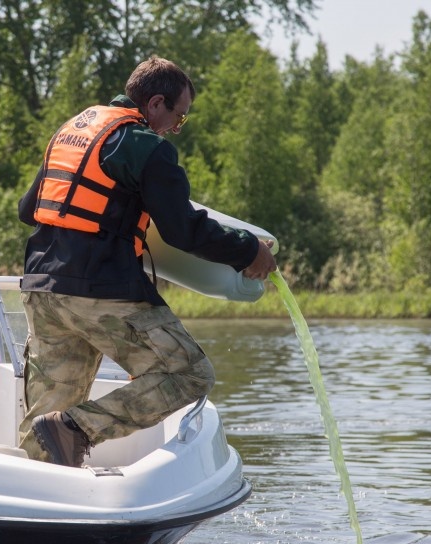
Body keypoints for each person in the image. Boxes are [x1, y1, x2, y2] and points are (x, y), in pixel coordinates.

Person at [17, 56, 277, 467]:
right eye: (179, 116)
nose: (176, 128)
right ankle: (79, 428)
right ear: (156, 103)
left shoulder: (72, 131)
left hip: (40, 290)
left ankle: (29, 500)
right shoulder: (148, 148)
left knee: (46, 420)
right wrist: (249, 251)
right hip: (101, 293)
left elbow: (28, 208)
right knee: (190, 373)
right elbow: (183, 230)